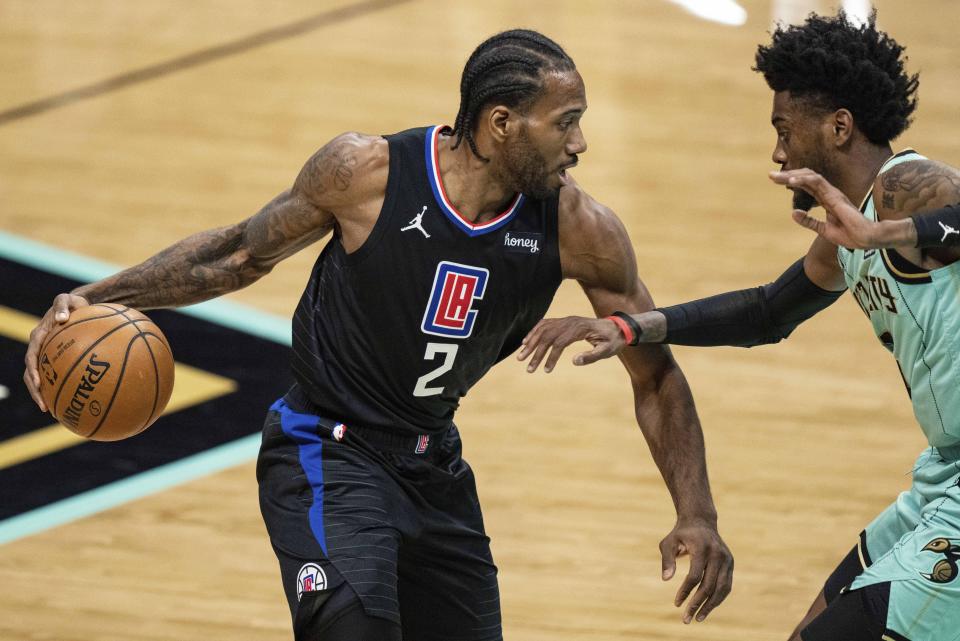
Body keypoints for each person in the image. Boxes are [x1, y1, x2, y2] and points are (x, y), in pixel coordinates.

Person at [22, 30, 733, 640]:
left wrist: (695, 511)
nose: (580, 143)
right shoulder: (366, 173)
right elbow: (239, 254)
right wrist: (92, 297)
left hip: (434, 470)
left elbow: (657, 374)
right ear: (500, 124)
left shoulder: (582, 230)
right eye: (565, 122)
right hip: (327, 454)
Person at [519, 12, 960, 641]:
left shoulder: (902, 192)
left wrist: (885, 233)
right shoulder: (847, 229)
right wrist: (634, 327)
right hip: (944, 474)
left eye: (785, 131)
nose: (778, 153)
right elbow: (766, 313)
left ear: (839, 127)